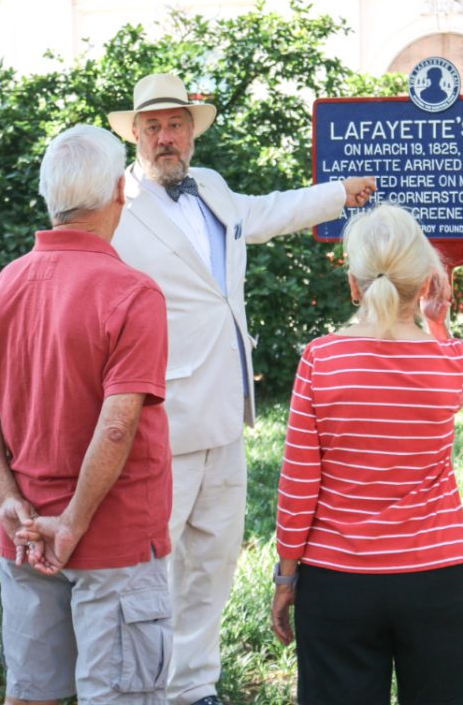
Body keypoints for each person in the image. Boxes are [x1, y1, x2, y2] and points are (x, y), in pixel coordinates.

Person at [107, 73, 376, 705]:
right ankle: (141, 689)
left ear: (192, 133)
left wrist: (341, 192)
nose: (166, 138)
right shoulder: (115, 202)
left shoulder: (213, 189)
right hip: (158, 415)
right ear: (136, 136)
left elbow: (268, 212)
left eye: (176, 125)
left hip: (227, 409)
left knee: (213, 558)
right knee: (153, 564)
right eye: (153, 127)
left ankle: (194, 686)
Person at [0, 124, 173, 705]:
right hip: (114, 541)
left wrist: (7, 500)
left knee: (30, 696)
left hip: (24, 535)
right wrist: (72, 522)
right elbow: (118, 422)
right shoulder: (132, 292)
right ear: (119, 193)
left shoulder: (2, 287)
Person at [272, 203, 463, 705]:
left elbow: (298, 484)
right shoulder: (450, 360)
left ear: (354, 285)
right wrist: (437, 324)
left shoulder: (320, 361)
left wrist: (286, 577)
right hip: (439, 580)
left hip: (338, 584)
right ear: (425, 284)